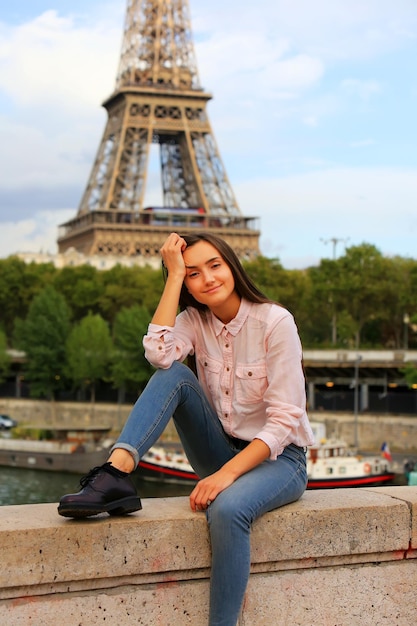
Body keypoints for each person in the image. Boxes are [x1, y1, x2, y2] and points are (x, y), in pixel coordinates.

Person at [58, 232, 315, 626]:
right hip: (219, 448)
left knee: (228, 510)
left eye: (214, 265)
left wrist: (225, 476)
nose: (208, 278)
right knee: (173, 373)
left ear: (232, 264)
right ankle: (116, 473)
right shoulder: (193, 320)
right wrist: (172, 277)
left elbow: (284, 420)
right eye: (193, 273)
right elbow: (158, 353)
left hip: (279, 460)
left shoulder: (275, 322)